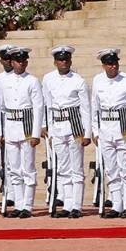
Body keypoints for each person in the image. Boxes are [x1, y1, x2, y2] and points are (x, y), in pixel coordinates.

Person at [42, 44, 91, 218]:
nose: (64, 62)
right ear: (55, 62)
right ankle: (67, 204)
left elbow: (86, 108)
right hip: (57, 125)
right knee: (62, 168)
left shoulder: (78, 80)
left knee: (76, 168)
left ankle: (77, 206)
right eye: (60, 59)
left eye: (66, 59)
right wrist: (45, 126)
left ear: (70, 60)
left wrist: (87, 133)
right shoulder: (48, 79)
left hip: (74, 125)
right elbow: (46, 104)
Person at [91, 48, 126, 219]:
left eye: (115, 63)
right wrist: (95, 131)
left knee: (125, 169)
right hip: (105, 128)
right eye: (109, 64)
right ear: (103, 65)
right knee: (111, 170)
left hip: (123, 128)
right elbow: (94, 108)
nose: (113, 67)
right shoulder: (98, 81)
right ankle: (116, 205)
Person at [0, 47, 43, 218]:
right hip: (10, 126)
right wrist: (0, 131)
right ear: (11, 62)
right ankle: (18, 204)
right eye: (17, 61)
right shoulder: (3, 82)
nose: (20, 64)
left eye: (23, 61)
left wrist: (36, 133)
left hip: (27, 126)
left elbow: (38, 108)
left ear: (26, 62)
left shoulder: (32, 81)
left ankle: (27, 206)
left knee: (28, 168)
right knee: (14, 169)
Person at [0, 44, 15, 209]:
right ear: (1, 60)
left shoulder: (20, 76)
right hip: (3, 120)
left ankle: (14, 194)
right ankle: (6, 191)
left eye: (10, 58)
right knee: (3, 160)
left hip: (17, 121)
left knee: (15, 161)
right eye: (5, 59)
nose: (8, 62)